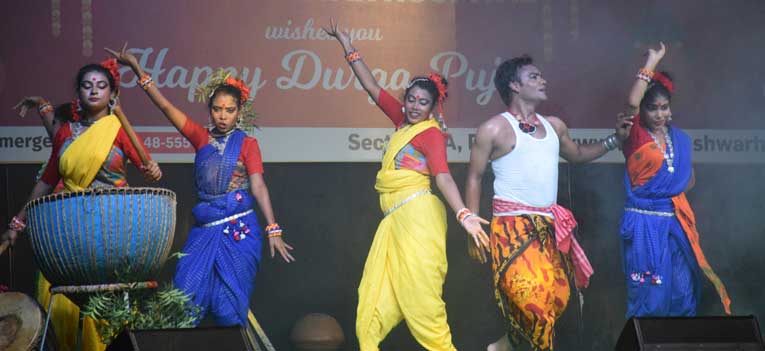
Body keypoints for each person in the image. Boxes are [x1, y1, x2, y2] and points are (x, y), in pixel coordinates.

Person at [325, 19, 490, 351]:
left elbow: (442, 176)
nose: (415, 106)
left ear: (432, 107)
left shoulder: (429, 134)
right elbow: (371, 87)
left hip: (419, 221)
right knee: (373, 305)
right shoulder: (401, 120)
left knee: (424, 302)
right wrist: (346, 45)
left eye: (422, 102)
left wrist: (463, 215)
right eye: (411, 99)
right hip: (395, 224)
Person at [107, 44, 294, 327]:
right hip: (204, 230)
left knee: (228, 306)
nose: (222, 115)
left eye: (229, 110)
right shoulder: (200, 138)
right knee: (185, 293)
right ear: (209, 110)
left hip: (239, 230)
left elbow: (258, 186)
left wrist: (273, 229)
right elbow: (165, 107)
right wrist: (136, 67)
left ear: (239, 113)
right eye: (217, 109)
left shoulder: (247, 144)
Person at [464, 55, 629, 351]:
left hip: (548, 230)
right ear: (514, 85)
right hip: (511, 230)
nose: (543, 81)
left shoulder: (554, 126)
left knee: (557, 299)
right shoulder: (492, 129)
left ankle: (502, 347)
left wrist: (615, 140)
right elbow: (474, 177)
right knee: (534, 305)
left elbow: (576, 154)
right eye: (534, 76)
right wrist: (471, 222)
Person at [2, 58, 163, 351]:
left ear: (112, 94)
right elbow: (47, 180)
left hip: (116, 229)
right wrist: (18, 222)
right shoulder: (65, 133)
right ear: (78, 92)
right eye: (87, 85)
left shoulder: (118, 129)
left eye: (101, 86)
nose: (94, 91)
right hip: (73, 232)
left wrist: (153, 171)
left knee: (112, 308)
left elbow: (147, 167)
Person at [618, 42, 731, 318]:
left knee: (683, 291)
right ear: (643, 112)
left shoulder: (679, 140)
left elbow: (687, 180)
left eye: (664, 108)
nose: (660, 115)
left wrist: (673, 196)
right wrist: (652, 62)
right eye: (653, 109)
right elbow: (632, 101)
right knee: (650, 295)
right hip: (644, 224)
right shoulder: (635, 136)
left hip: (675, 223)